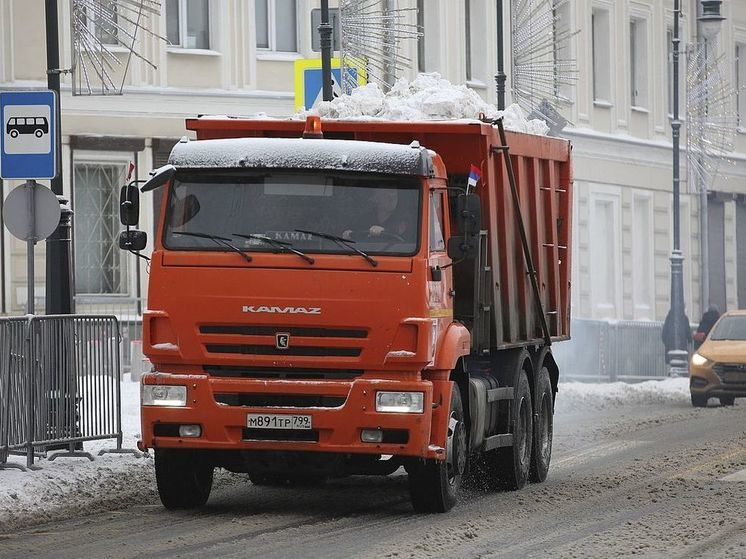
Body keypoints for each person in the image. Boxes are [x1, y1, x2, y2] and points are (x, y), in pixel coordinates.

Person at [343, 188, 410, 240]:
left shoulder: (404, 219)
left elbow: (404, 241)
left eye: (394, 194)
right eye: (386, 194)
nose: (391, 197)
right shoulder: (366, 218)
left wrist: (384, 232)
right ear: (375, 198)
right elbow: (353, 231)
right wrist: (348, 234)